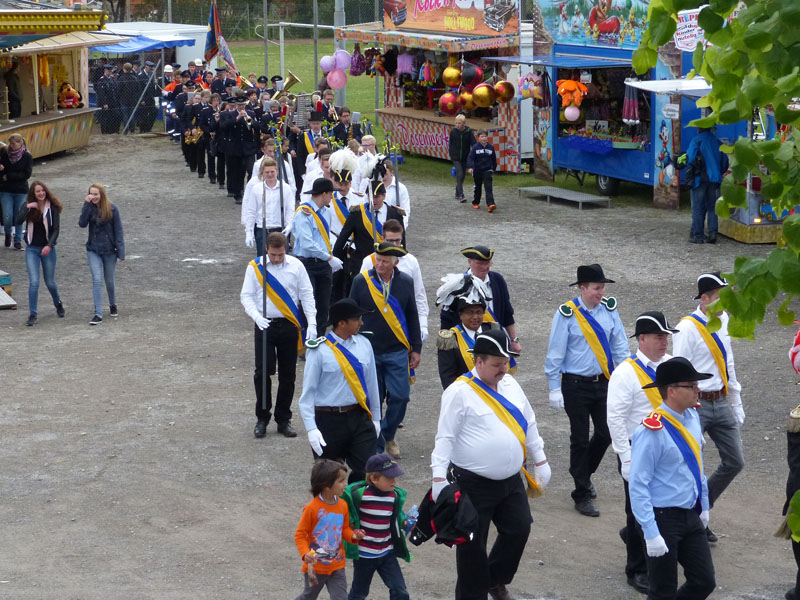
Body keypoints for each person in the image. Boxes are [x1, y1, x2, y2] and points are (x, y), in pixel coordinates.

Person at [431, 329, 551, 600]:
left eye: (505, 363)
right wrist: (438, 478)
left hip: (511, 481)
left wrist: (541, 459)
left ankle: (494, 579)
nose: (503, 369)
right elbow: (445, 438)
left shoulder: (511, 384)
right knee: (472, 547)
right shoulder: (458, 392)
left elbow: (529, 421)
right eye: (497, 364)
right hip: (472, 484)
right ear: (479, 361)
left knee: (519, 529)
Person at [544, 263, 629, 517]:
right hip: (575, 385)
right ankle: (581, 493)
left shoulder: (610, 311)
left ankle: (582, 473)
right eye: (596, 288)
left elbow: (620, 346)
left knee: (606, 433)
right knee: (579, 439)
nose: (601, 292)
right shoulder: (567, 314)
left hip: (604, 383)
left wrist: (628, 377)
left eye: (602, 287)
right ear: (582, 288)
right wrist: (553, 387)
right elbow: (556, 352)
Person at [629, 357, 716, 600]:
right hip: (662, 517)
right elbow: (638, 484)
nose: (697, 390)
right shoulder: (651, 431)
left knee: (704, 581)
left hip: (689, 512)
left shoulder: (692, 417)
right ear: (671, 391)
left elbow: (697, 466)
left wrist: (704, 505)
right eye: (691, 386)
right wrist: (650, 531)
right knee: (662, 591)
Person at [606, 311, 678, 595]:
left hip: (669, 449)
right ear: (642, 338)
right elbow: (615, 419)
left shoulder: (672, 365)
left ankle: (658, 552)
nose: (664, 341)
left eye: (666, 336)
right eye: (659, 336)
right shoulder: (625, 373)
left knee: (667, 503)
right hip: (638, 450)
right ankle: (636, 568)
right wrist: (625, 457)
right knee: (638, 509)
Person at [672, 271, 744, 543]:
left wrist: (736, 399)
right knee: (693, 466)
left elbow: (728, 362)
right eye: (721, 297)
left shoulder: (724, 320)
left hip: (721, 400)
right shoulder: (687, 328)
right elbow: (679, 370)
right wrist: (684, 412)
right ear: (705, 298)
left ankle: (701, 508)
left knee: (735, 461)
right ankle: (695, 522)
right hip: (696, 404)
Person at [349, 242, 422, 459]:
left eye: (384, 261)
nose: (379, 265)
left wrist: (416, 348)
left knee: (401, 396)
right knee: (374, 399)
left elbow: (412, 315)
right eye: (377, 260)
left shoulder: (405, 282)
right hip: (369, 350)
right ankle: (376, 442)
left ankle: (387, 436)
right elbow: (351, 312)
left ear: (395, 263)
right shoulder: (361, 281)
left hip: (397, 350)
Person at [298, 298, 382, 483]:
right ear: (341, 323)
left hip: (358, 416)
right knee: (329, 479)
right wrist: (311, 428)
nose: (361, 323)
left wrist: (376, 418)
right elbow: (308, 395)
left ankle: (353, 499)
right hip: (328, 420)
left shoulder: (364, 344)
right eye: (356, 319)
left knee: (368, 471)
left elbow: (372, 385)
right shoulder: (319, 350)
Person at [241, 232, 315, 439]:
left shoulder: (296, 266)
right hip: (264, 324)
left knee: (288, 374)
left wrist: (313, 323)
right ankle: (262, 418)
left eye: (280, 254)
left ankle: (283, 419)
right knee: (262, 372)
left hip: (289, 324)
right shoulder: (255, 267)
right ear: (266, 249)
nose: (276, 258)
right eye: (273, 254)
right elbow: (246, 296)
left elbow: (306, 294)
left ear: (286, 250)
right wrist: (256, 316)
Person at [294, 459, 366, 600]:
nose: (345, 484)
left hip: (337, 565)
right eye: (341, 481)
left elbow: (344, 529)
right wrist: (305, 553)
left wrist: (353, 536)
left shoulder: (343, 505)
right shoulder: (312, 508)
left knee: (340, 598)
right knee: (308, 596)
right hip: (315, 567)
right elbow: (300, 534)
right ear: (327, 485)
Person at [343, 453, 411, 600]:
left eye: (395, 477)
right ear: (374, 478)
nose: (394, 481)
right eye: (389, 478)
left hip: (387, 553)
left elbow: (397, 514)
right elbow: (347, 510)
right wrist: (351, 525)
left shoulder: (394, 496)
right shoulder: (359, 495)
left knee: (400, 591)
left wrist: (404, 522)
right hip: (364, 555)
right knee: (359, 593)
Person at [440, 246, 520, 354]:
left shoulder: (498, 280)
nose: (485, 267)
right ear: (470, 262)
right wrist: (446, 350)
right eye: (480, 263)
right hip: (465, 343)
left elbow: (507, 314)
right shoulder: (457, 284)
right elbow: (447, 319)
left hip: (495, 342)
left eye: (487, 263)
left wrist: (514, 340)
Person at [359, 219, 428, 342]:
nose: (395, 244)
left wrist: (422, 324)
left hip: (402, 322)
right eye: (390, 241)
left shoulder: (411, 261)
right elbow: (360, 295)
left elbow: (419, 295)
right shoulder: (369, 261)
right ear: (382, 239)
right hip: (375, 321)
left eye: (398, 240)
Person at [333, 181, 405, 293]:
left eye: (377, 197)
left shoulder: (395, 214)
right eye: (371, 196)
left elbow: (402, 242)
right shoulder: (358, 213)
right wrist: (335, 260)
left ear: (384, 196)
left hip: (387, 263)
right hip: (361, 263)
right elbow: (342, 238)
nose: (373, 200)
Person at [293, 177, 343, 332]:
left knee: (323, 306)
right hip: (307, 263)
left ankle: (320, 340)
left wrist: (330, 255)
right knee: (308, 304)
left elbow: (325, 239)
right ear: (324, 194)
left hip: (324, 264)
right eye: (331, 194)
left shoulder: (326, 213)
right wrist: (329, 257)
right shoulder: (304, 213)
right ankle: (305, 341)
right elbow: (307, 244)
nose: (332, 197)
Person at [15, 181, 64, 326]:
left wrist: (49, 245)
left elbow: (56, 229)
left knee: (50, 282)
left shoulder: (52, 207)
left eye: (43, 191)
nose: (41, 193)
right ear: (33, 193)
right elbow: (18, 221)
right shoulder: (29, 206)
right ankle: (33, 314)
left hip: (47, 248)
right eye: (38, 191)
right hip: (32, 249)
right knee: (34, 282)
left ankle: (58, 303)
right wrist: (27, 207)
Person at [78, 183, 125, 325]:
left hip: (110, 250)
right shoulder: (89, 208)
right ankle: (98, 313)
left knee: (109, 280)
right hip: (93, 249)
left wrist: (121, 251)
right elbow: (82, 223)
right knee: (97, 280)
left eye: (96, 194)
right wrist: (86, 205)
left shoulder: (112, 209)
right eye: (91, 194)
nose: (93, 197)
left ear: (102, 195)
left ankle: (112, 304)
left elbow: (118, 230)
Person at [437, 295, 497, 389]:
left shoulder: (493, 331)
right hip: (465, 391)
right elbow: (447, 377)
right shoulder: (450, 339)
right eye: (470, 312)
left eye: (479, 312)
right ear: (460, 315)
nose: (475, 317)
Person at [685, 127, 729, 244]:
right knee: (712, 207)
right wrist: (718, 172)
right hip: (714, 179)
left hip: (699, 179)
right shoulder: (717, 142)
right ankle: (712, 233)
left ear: (699, 129)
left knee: (698, 207)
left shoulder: (696, 140)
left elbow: (689, 159)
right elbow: (725, 162)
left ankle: (698, 236)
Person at [242, 158, 294, 257]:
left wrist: (289, 225)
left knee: (281, 259)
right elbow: (251, 211)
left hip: (280, 229)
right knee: (263, 260)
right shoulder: (256, 189)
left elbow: (290, 209)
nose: (270, 175)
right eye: (267, 172)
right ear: (263, 173)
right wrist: (249, 232)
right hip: (262, 231)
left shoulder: (285, 188)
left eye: (272, 172)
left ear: (277, 171)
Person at [220, 97, 258, 204]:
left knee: (250, 169)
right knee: (238, 171)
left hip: (248, 147)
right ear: (236, 105)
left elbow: (257, 127)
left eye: (243, 105)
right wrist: (237, 118)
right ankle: (238, 193)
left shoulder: (251, 113)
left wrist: (250, 120)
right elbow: (224, 127)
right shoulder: (230, 114)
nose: (241, 107)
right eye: (239, 105)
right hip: (235, 147)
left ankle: (250, 191)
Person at [1, 133, 33, 250]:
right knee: (7, 216)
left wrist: (9, 175)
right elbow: (2, 173)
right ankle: (8, 232)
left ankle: (18, 240)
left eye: (14, 143)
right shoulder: (5, 155)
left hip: (21, 190)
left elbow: (26, 174)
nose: (12, 145)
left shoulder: (27, 156)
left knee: (19, 216)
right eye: (10, 143)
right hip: (6, 190)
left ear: (20, 143)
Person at [466, 130, 497, 212]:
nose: (484, 138)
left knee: (488, 187)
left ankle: (490, 204)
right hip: (477, 170)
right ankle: (476, 202)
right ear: (478, 138)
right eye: (482, 137)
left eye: (485, 136)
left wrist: (493, 168)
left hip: (488, 170)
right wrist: (470, 167)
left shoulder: (491, 147)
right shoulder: (475, 147)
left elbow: (493, 159)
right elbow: (470, 158)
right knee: (478, 187)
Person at [449, 114, 476, 203]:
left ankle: (457, 192)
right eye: (456, 123)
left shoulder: (468, 132)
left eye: (459, 123)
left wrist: (474, 153)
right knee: (460, 174)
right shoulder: (453, 131)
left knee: (463, 176)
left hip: (465, 157)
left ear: (464, 123)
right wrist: (451, 154)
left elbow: (473, 143)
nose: (457, 125)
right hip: (455, 157)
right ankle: (461, 195)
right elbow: (451, 143)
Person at [381, 162, 410, 229]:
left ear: (392, 172)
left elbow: (405, 211)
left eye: (386, 174)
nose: (383, 176)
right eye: (381, 173)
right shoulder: (375, 186)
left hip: (393, 226)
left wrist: (402, 228)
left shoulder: (401, 188)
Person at [95, 64, 120, 134]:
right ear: (105, 71)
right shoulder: (102, 80)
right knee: (105, 118)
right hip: (106, 102)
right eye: (108, 71)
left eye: (110, 71)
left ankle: (112, 131)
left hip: (112, 101)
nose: (110, 72)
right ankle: (105, 131)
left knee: (113, 116)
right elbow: (101, 93)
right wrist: (104, 103)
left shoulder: (111, 80)